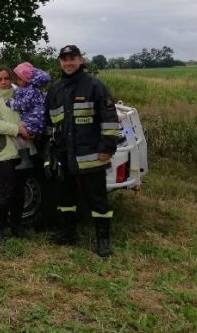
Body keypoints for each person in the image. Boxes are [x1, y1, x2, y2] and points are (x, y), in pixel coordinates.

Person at [44, 45, 120, 257]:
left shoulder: (95, 86)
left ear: (80, 60)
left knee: (98, 200)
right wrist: (50, 152)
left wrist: (107, 148)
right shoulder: (55, 89)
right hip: (64, 156)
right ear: (60, 62)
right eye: (64, 59)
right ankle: (67, 234)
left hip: (92, 157)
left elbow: (110, 121)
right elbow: (49, 123)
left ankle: (103, 240)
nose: (68, 63)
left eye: (72, 58)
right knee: (65, 199)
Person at [0, 66, 36, 243]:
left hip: (25, 149)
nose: (4, 82)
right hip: (5, 151)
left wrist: (33, 128)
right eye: (0, 79)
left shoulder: (20, 94)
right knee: (7, 190)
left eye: (6, 78)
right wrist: (18, 130)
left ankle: (16, 226)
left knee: (20, 191)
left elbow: (32, 113)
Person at [5, 62, 51, 170]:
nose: (17, 81)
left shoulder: (30, 91)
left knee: (17, 131)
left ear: (27, 80)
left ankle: (26, 160)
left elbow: (22, 104)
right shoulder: (34, 90)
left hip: (34, 121)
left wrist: (9, 103)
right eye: (17, 79)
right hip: (38, 121)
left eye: (20, 79)